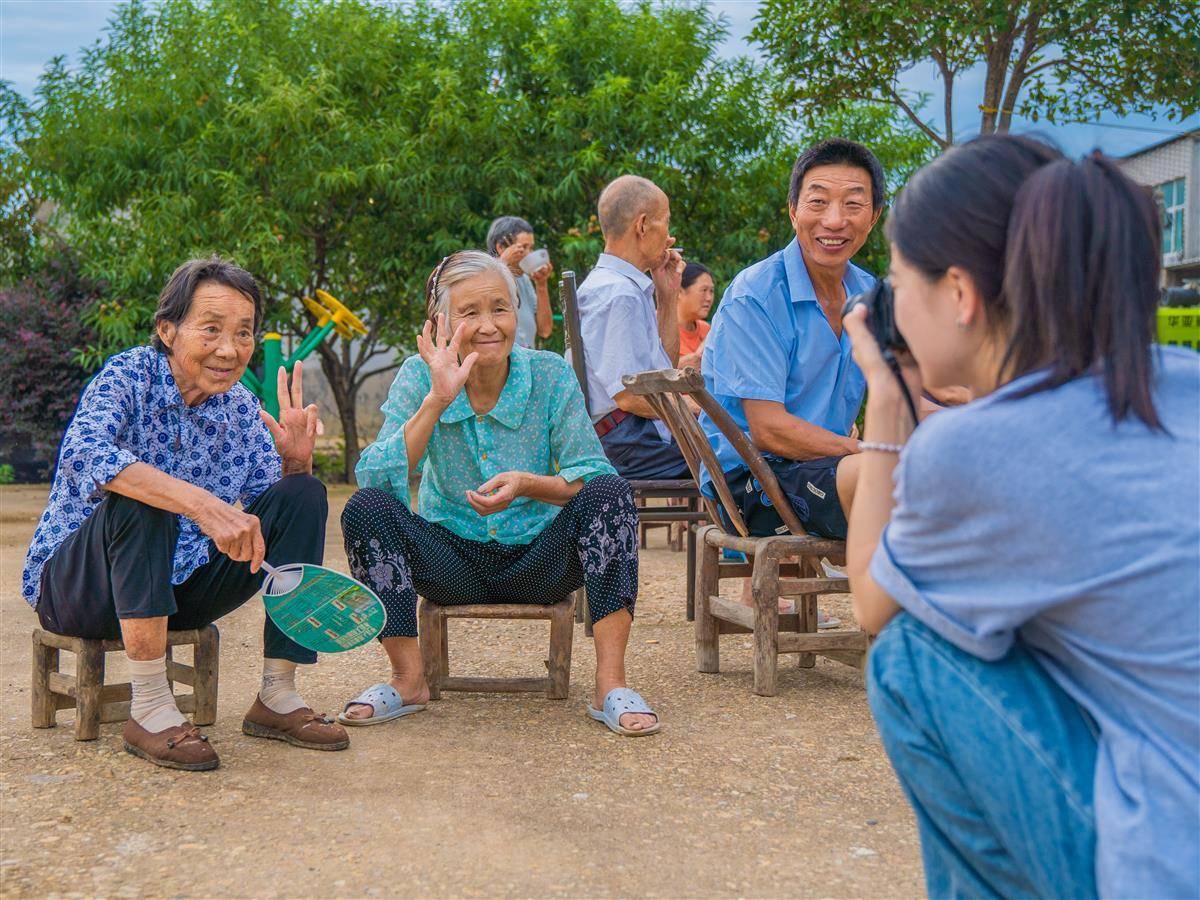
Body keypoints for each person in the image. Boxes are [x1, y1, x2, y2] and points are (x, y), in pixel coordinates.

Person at [844, 135, 1199, 898]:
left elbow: (874, 602)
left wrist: (885, 392)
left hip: (1175, 863)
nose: (891, 304)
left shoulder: (978, 450)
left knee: (912, 656)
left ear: (961, 295)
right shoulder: (1183, 381)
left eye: (900, 280)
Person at [22, 256, 349, 771]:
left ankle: (277, 695)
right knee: (143, 494)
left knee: (304, 494)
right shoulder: (129, 375)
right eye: (212, 329)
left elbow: (268, 517)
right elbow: (87, 453)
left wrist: (294, 462)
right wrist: (199, 504)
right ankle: (150, 708)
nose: (229, 349)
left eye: (244, 333)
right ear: (168, 330)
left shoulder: (239, 407)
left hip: (176, 591)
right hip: (82, 591)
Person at [339, 250, 660, 736]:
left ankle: (609, 685)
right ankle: (408, 680)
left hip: (537, 561)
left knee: (610, 493)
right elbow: (379, 478)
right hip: (450, 563)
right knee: (366, 509)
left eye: (500, 309)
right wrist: (437, 399)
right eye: (470, 313)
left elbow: (588, 474)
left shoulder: (550, 374)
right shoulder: (417, 376)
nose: (489, 325)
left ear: (517, 313)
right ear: (441, 321)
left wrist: (529, 484)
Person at [700, 139, 886, 543]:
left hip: (827, 466)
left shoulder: (869, 294)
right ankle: (901, 605)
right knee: (884, 475)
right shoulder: (757, 294)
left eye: (853, 205)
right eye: (818, 203)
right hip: (752, 482)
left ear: (874, 217)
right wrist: (860, 450)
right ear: (793, 212)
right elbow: (769, 431)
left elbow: (909, 392)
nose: (834, 221)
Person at [575, 175, 691, 480]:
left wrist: (667, 298)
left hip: (630, 438)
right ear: (642, 225)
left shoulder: (620, 287)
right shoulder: (618, 294)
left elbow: (663, 371)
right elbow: (628, 396)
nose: (670, 236)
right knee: (738, 460)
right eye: (665, 222)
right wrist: (694, 410)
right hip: (626, 442)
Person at [486, 215, 553, 349]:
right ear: (501, 248)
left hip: (525, 366)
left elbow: (545, 330)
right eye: (523, 247)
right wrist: (502, 263)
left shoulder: (524, 280)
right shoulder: (483, 280)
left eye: (531, 248)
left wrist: (541, 285)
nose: (529, 254)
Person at [677, 262, 715, 370]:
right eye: (704, 290)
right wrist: (677, 367)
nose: (709, 298)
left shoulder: (707, 330)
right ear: (679, 291)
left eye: (711, 291)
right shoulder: (656, 325)